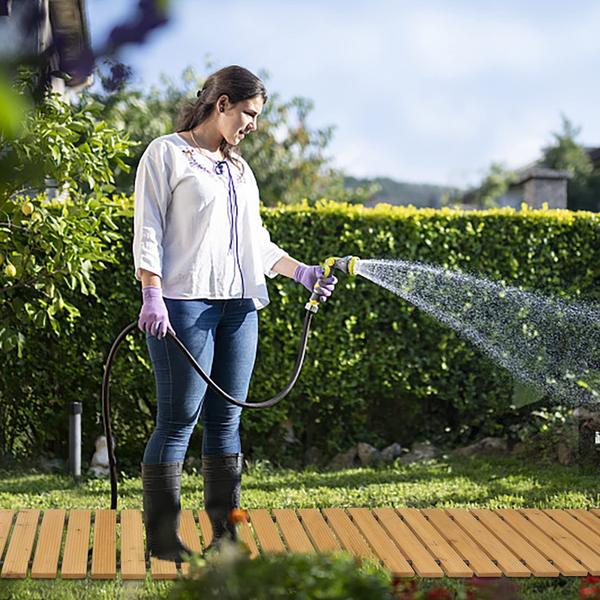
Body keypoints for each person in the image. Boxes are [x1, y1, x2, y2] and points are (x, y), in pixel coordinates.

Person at [132, 65, 337, 561]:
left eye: (256, 117)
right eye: (247, 113)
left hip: (241, 305)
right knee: (179, 416)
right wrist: (151, 290)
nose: (252, 125)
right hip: (184, 303)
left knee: (227, 422)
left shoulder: (240, 170)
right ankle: (162, 540)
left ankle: (226, 537)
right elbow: (150, 228)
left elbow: (257, 242)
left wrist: (300, 271)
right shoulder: (167, 153)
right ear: (221, 103)